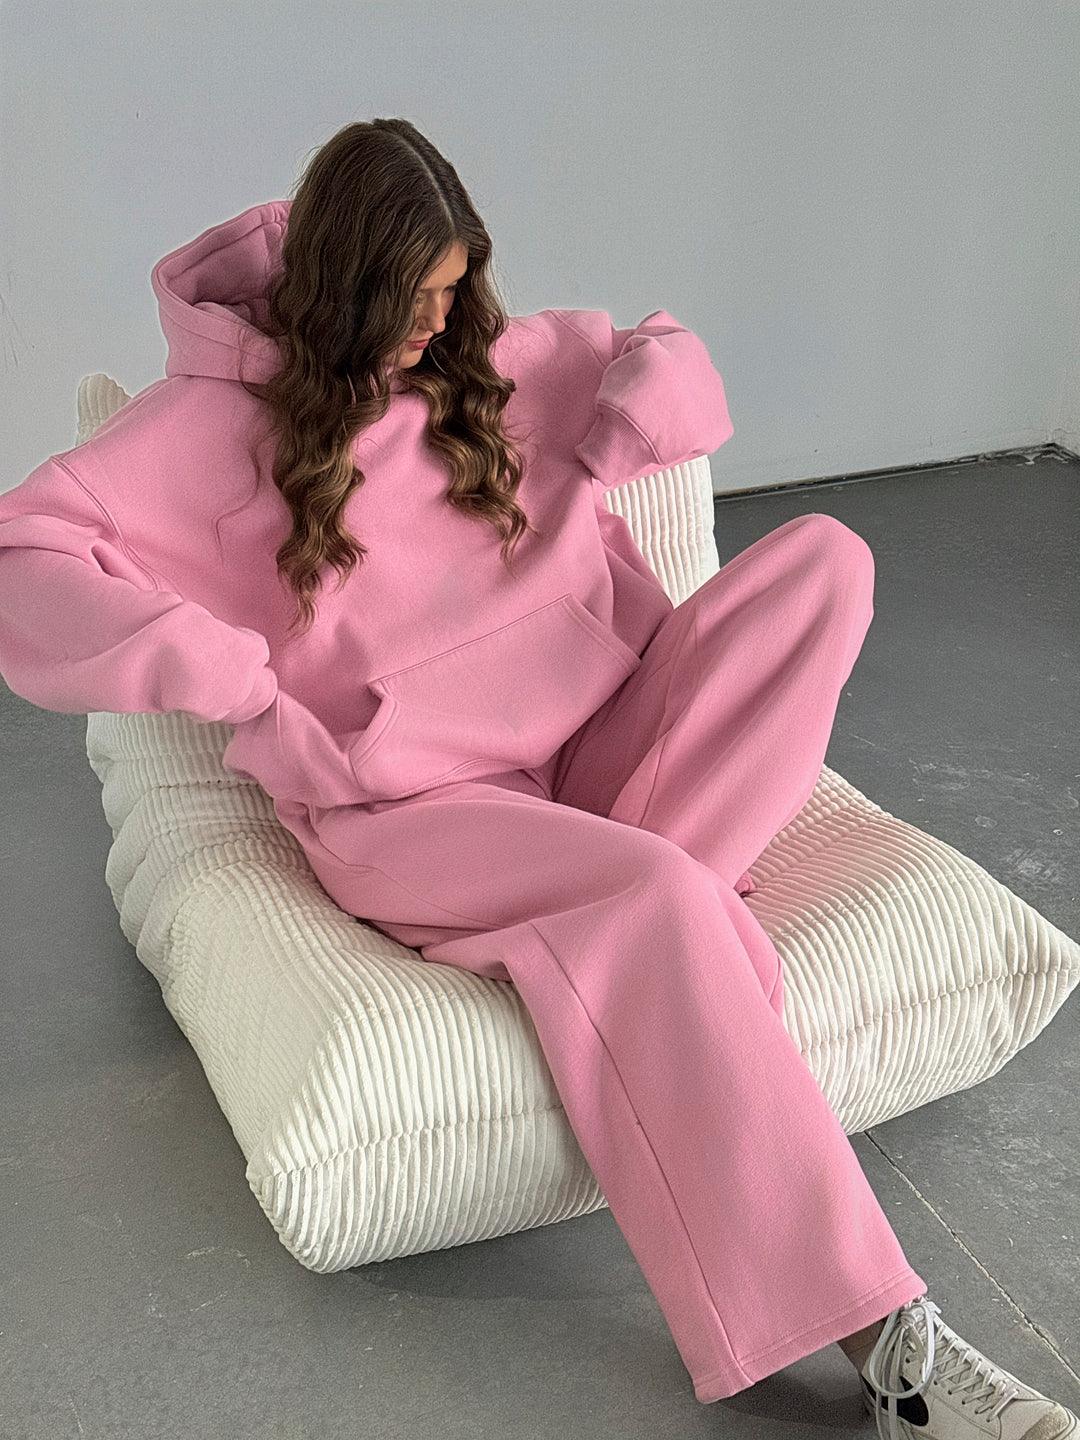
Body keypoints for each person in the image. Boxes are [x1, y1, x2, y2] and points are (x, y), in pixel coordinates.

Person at [0, 118, 1074, 1440]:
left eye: (458, 290)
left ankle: (644, 925)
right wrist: (210, 668)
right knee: (658, 902)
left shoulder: (487, 364)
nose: (440, 322)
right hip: (416, 814)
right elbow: (26, 547)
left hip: (601, 753)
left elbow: (662, 352)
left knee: (826, 563)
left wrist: (637, 415)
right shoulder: (206, 432)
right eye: (414, 298)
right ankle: (892, 1345)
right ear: (343, 285)